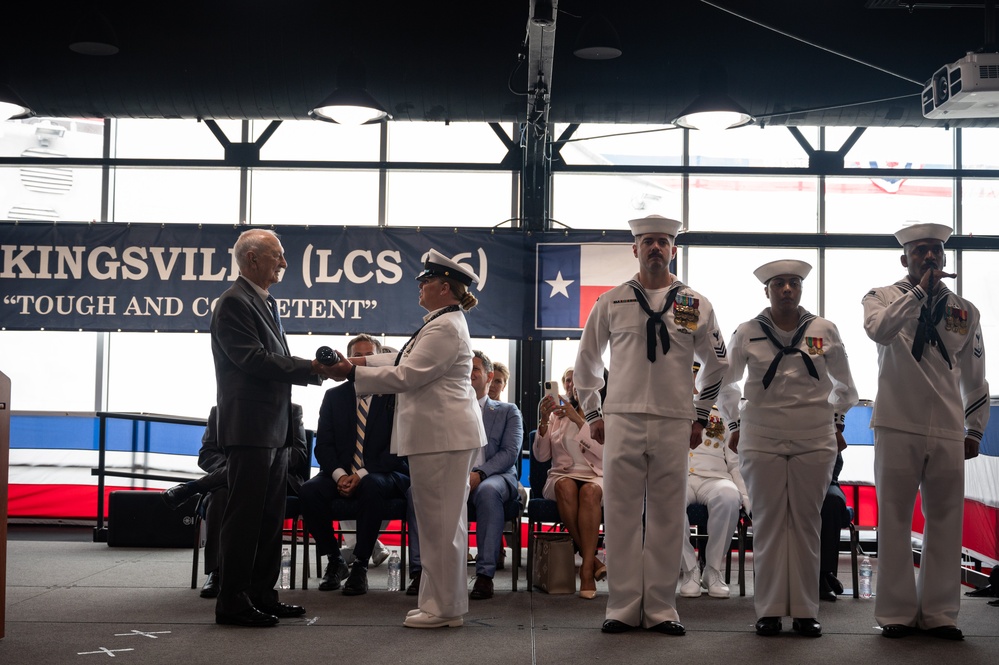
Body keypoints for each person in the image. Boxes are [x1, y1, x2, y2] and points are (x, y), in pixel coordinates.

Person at [573, 214, 729, 636]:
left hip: (675, 419)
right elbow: (587, 360)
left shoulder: (693, 302)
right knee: (621, 513)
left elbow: (718, 364)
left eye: (663, 241)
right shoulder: (612, 300)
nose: (656, 248)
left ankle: (661, 608)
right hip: (621, 417)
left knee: (667, 515)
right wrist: (592, 412)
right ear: (635, 249)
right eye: (648, 241)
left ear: (674, 249)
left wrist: (700, 414)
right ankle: (622, 606)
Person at [325, 248, 486, 629]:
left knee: (441, 527)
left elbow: (408, 375)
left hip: (441, 438)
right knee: (440, 526)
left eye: (425, 280)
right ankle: (440, 603)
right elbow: (398, 358)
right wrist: (357, 363)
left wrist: (352, 375)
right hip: (438, 436)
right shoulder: (442, 321)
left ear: (444, 287)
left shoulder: (446, 326)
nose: (420, 286)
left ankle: (445, 609)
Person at [863, 221, 989, 640]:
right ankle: (897, 613)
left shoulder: (964, 310)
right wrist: (918, 292)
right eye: (921, 251)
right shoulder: (880, 297)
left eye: (936, 250)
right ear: (905, 259)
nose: (930, 257)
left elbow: (975, 375)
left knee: (946, 519)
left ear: (945, 256)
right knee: (895, 520)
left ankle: (939, 613)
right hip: (898, 422)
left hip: (949, 428)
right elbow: (880, 331)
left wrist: (975, 429)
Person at [719, 259, 858, 638]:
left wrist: (838, 422)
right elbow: (725, 384)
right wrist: (733, 424)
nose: (786, 289)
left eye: (793, 283)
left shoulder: (823, 329)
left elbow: (846, 385)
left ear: (800, 289)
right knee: (768, 523)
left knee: (805, 523)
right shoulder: (747, 332)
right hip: (761, 435)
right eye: (778, 283)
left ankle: (803, 611)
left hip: (813, 436)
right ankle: (768, 611)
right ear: (766, 290)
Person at [209, 228, 331, 628]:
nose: (284, 263)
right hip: (249, 429)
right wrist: (312, 368)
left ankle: (262, 593)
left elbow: (271, 358)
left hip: (274, 429)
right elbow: (254, 360)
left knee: (268, 519)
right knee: (244, 518)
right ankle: (233, 601)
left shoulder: (265, 302)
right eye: (277, 255)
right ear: (252, 259)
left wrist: (307, 371)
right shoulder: (232, 303)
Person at [298, 334, 410, 596]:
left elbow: (399, 450)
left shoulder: (396, 397)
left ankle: (360, 564)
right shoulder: (334, 397)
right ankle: (336, 561)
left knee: (371, 484)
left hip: (386, 472)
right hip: (342, 473)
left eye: (369, 357)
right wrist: (339, 476)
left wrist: (360, 474)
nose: (363, 363)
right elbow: (323, 446)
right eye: (357, 357)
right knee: (309, 491)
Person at [161, 404, 310, 599]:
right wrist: (237, 466)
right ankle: (218, 571)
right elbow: (206, 454)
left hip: (277, 479)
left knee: (249, 466)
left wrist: (265, 458)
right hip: (229, 483)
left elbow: (299, 455)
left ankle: (192, 488)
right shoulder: (221, 410)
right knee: (220, 495)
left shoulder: (290, 410)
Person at [679, 375, 750, 600]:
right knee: (667, 497)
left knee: (730, 496)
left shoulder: (724, 408)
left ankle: (712, 570)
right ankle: (690, 569)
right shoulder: (672, 404)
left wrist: (746, 495)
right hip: (681, 476)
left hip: (715, 477)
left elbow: (735, 459)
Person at [535, 379, 605, 599]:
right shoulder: (559, 415)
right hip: (561, 475)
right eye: (576, 383)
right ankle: (591, 560)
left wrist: (579, 420)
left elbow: (606, 455)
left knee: (589, 492)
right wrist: (544, 421)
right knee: (566, 487)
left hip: (596, 476)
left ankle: (586, 569)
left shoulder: (608, 416)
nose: (578, 386)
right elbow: (541, 456)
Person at [818, 452, 851, 602]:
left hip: (827, 481)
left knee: (832, 501)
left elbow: (836, 459)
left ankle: (824, 574)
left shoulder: (829, 428)